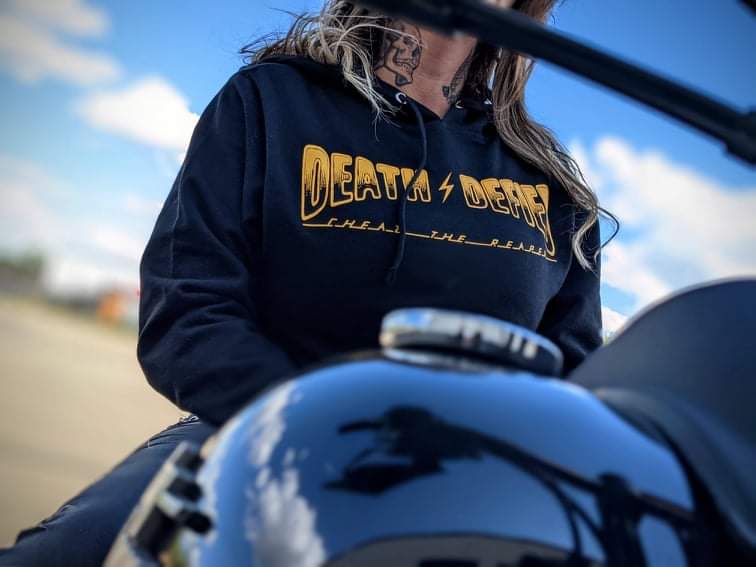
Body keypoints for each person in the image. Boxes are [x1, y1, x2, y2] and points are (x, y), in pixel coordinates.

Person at [0, 0, 614, 564]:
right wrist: (323, 432)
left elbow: (584, 386)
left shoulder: (550, 182)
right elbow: (185, 309)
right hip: (258, 437)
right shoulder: (270, 101)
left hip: (475, 489)